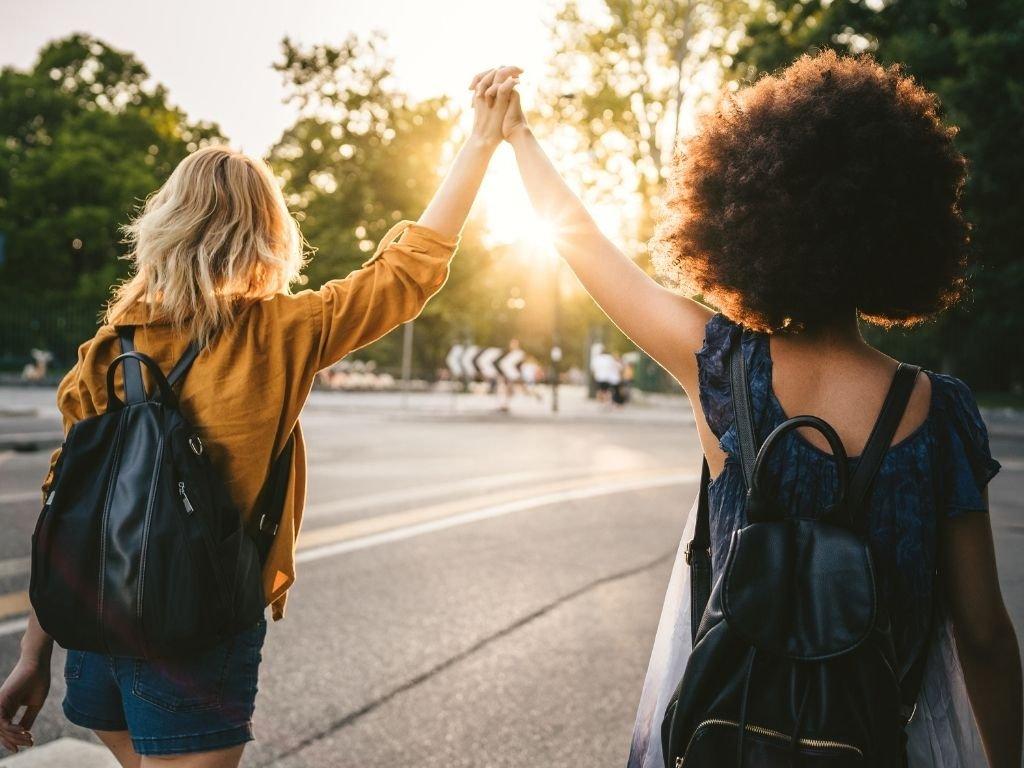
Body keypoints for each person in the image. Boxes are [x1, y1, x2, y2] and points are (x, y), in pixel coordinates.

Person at [473, 52, 1022, 768]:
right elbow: (982, 635)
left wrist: (519, 138)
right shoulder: (939, 413)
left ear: (747, 220)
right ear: (905, 227)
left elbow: (590, 251)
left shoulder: (722, 365)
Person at [0, 69, 520, 766]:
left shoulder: (107, 348)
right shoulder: (278, 332)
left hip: (94, 635)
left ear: (164, 225)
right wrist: (481, 143)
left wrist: (34, 655)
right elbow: (405, 272)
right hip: (194, 632)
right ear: (265, 235)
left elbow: (60, 508)